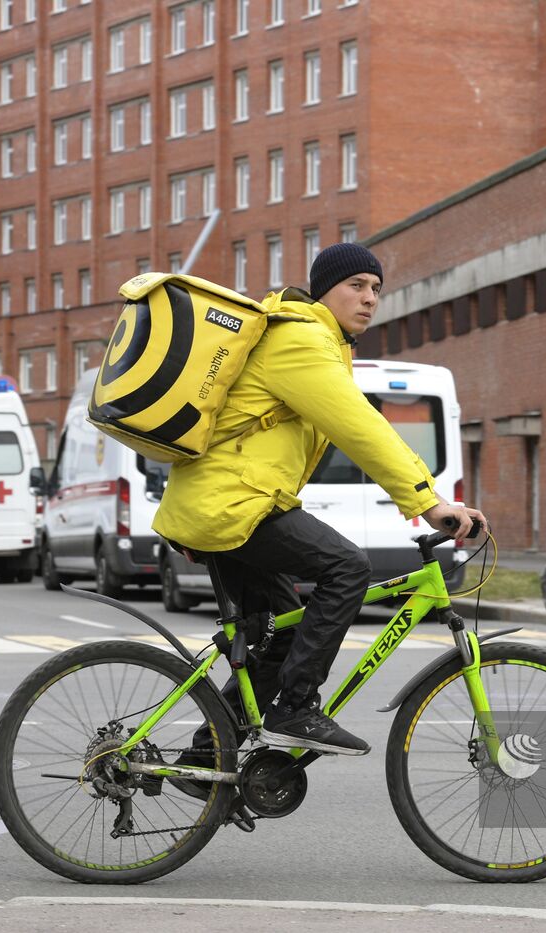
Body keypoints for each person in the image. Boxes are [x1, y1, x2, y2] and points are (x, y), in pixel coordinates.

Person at [153, 242, 485, 767]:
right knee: (347, 566)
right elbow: (361, 426)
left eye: (376, 288)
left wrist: (428, 494)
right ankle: (297, 706)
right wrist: (428, 501)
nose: (370, 298)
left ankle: (206, 761)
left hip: (230, 503)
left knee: (282, 633)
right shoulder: (300, 340)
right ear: (323, 291)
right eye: (356, 286)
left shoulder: (319, 343)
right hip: (233, 504)